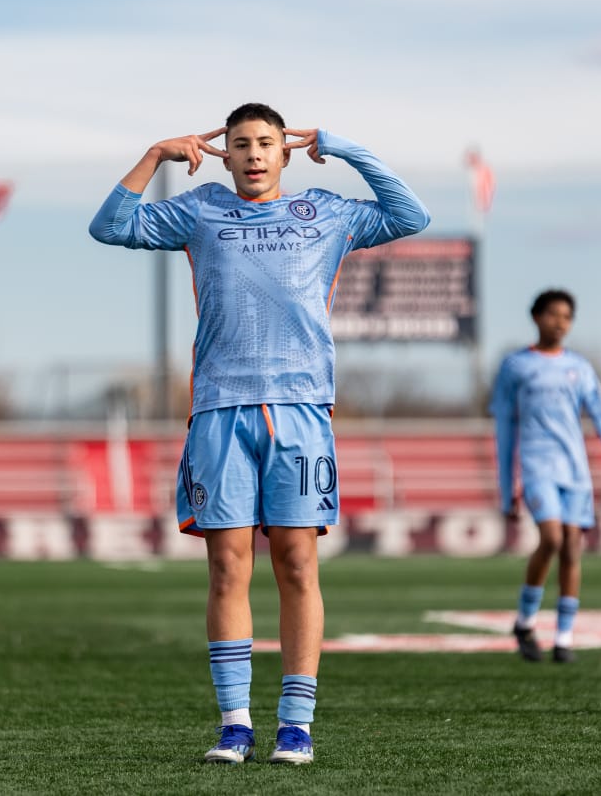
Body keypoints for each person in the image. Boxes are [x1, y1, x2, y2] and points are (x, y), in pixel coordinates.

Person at [88, 103, 429, 763]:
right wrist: (155, 155)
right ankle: (235, 723)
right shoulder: (201, 210)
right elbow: (110, 226)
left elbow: (411, 213)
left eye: (266, 143)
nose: (252, 153)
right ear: (223, 153)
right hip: (221, 411)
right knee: (227, 569)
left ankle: (296, 725)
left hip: (301, 412)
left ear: (285, 153)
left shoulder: (326, 213)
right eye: (240, 143)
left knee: (298, 563)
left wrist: (341, 144)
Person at [491, 289, 601, 664]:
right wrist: (506, 489)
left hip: (575, 471)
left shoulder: (579, 367)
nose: (560, 322)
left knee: (572, 549)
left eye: (566, 316)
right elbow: (504, 429)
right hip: (537, 466)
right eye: (552, 315)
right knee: (551, 538)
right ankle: (526, 621)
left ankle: (563, 638)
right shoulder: (515, 366)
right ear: (536, 317)